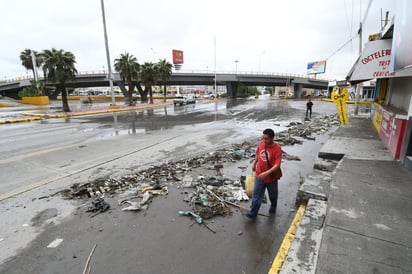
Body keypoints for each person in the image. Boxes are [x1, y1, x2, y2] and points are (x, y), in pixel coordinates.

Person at [246, 128, 282, 219]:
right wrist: (254, 163)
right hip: (259, 175)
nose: (264, 140)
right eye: (263, 138)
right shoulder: (262, 143)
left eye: (266, 138)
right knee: (256, 195)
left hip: (271, 177)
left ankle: (273, 205)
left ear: (272, 138)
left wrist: (267, 173)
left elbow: (277, 165)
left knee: (273, 195)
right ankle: (253, 213)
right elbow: (258, 154)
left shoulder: (277, 148)